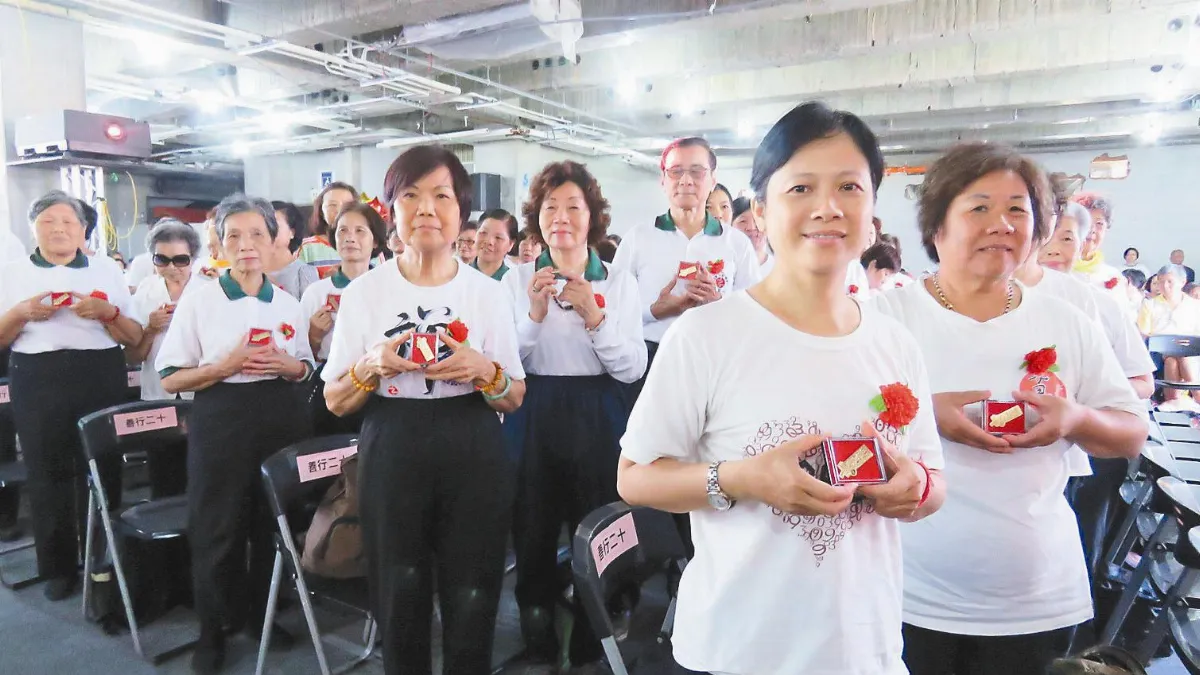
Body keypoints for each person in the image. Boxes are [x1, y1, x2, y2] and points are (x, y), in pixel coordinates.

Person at [617, 102, 946, 675]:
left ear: (872, 215)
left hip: (863, 648)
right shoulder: (707, 334)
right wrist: (743, 478)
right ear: (761, 213)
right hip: (739, 648)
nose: (827, 207)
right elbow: (635, 477)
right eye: (800, 189)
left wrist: (914, 488)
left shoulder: (895, 343)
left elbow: (931, 481)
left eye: (849, 187)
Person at [869, 142, 1147, 675]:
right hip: (905, 588)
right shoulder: (882, 319)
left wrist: (1077, 420)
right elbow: (832, 423)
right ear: (937, 227)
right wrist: (925, 412)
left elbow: (1131, 432)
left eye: (1018, 209)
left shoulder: (1068, 321)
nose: (1001, 223)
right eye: (978, 208)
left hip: (1034, 597)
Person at [321, 145, 526, 675]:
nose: (427, 209)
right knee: (398, 585)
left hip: (472, 440)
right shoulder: (365, 294)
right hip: (393, 439)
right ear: (392, 210)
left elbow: (513, 395)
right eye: (410, 195)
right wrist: (371, 366)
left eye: (442, 195)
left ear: (461, 212)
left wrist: (486, 371)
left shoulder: (487, 294)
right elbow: (335, 399)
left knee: (474, 585)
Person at [155, 195, 315, 674]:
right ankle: (212, 629)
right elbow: (170, 377)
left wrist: (291, 366)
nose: (246, 246)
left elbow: (306, 366)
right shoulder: (202, 300)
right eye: (234, 236)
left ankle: (255, 616)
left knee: (270, 524)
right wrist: (223, 366)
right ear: (220, 244)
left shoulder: (287, 303)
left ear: (275, 241)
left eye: (257, 235)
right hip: (220, 417)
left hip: (279, 415)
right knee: (217, 528)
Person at [500, 160, 647, 672]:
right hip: (533, 410)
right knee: (533, 529)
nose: (560, 217)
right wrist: (535, 315)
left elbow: (632, 368)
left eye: (573, 207)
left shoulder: (619, 282)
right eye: (550, 208)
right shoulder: (515, 280)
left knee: (598, 524)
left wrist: (595, 315)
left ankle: (593, 639)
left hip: (599, 412)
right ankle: (537, 637)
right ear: (537, 218)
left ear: (592, 217)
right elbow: (505, 365)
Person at [0, 190, 144, 601]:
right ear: (33, 229)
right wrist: (20, 313)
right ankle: (57, 566)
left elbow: (132, 336)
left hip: (98, 372)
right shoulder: (11, 272)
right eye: (48, 221)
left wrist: (108, 313)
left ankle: (102, 558)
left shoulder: (106, 270)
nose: (59, 229)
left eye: (69, 222)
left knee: (103, 466)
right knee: (47, 471)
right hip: (36, 374)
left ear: (83, 230)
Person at [612, 136, 760, 396]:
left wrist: (718, 306)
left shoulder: (736, 244)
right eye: (676, 171)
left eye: (696, 171)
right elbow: (613, 311)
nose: (686, 180)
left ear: (713, 179)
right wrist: (654, 311)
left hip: (715, 362)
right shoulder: (638, 239)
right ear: (663, 180)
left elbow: (754, 315)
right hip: (650, 361)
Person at [301, 202, 386, 435]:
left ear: (375, 240)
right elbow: (300, 354)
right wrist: (314, 336)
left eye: (360, 231)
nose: (350, 238)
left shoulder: (387, 289)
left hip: (377, 385)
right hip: (330, 385)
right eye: (343, 231)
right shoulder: (316, 292)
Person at [127, 218, 201, 403]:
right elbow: (132, 357)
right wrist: (151, 330)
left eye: (181, 260)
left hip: (200, 390)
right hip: (156, 390)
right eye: (162, 260)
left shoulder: (209, 290)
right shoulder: (145, 290)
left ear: (194, 259)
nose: (171, 267)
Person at [1138, 264, 1200, 412]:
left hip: (1190, 353)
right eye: (1160, 281)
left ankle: (1173, 402)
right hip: (1158, 353)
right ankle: (1187, 399)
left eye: (1170, 281)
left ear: (1182, 282)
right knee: (1172, 355)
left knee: (1178, 358)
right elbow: (1144, 333)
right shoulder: (1149, 304)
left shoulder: (1194, 306)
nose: (1164, 286)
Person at [300, 181, 358, 278]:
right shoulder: (306, 248)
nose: (339, 210)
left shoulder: (369, 244)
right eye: (332, 205)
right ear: (321, 211)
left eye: (347, 205)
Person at [267, 201, 320, 300]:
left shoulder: (303, 272)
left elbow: (313, 313)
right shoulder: (251, 270)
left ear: (292, 232)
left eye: (274, 225)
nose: (268, 230)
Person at [1071, 192, 1122, 288]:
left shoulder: (1112, 275)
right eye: (1085, 221)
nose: (1091, 229)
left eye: (1099, 223)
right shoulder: (1054, 269)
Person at [473, 208, 517, 281]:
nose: (488, 241)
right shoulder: (459, 276)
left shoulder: (513, 282)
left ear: (511, 244)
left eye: (498, 238)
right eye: (483, 233)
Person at [730, 195, 770, 269]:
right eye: (743, 221)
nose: (751, 228)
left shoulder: (781, 267)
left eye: (756, 220)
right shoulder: (725, 268)